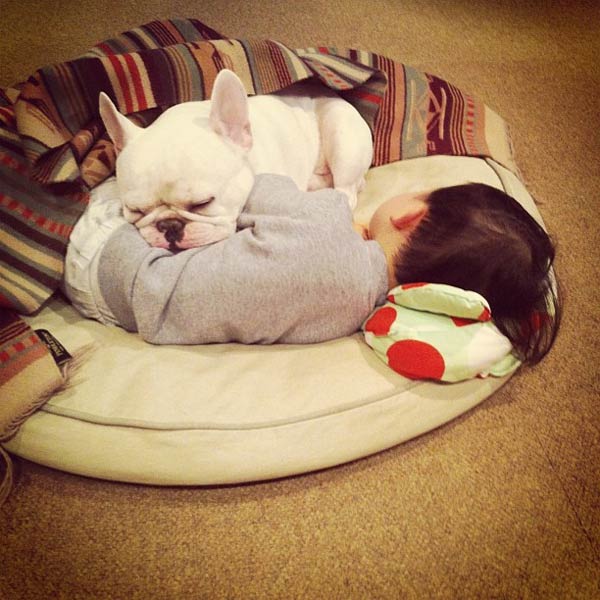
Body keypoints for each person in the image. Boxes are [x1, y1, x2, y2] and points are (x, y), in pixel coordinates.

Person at [63, 173, 560, 364]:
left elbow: (257, 187)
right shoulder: (357, 316)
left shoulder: (326, 217)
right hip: (124, 312)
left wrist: (344, 214)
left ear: (410, 214)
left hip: (111, 258)